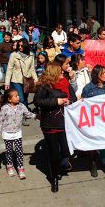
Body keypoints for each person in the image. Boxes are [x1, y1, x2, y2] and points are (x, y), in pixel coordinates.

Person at [33, 64, 77, 192]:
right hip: (50, 123)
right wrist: (56, 102)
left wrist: (70, 101)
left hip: (65, 122)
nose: (62, 74)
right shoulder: (45, 86)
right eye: (60, 72)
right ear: (54, 73)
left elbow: (73, 97)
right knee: (54, 153)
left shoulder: (65, 83)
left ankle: (60, 165)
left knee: (65, 150)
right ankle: (54, 178)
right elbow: (37, 101)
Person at [0, 89, 36, 179]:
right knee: (9, 151)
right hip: (7, 134)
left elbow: (28, 114)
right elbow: (0, 121)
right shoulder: (5, 108)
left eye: (18, 95)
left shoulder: (21, 106)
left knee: (19, 151)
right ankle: (9, 167)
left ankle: (20, 169)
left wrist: (36, 116)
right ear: (10, 99)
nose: (18, 97)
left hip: (17, 133)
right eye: (16, 96)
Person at [5, 38, 38, 115]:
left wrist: (36, 80)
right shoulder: (14, 55)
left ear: (26, 46)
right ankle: (24, 115)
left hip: (27, 80)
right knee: (21, 99)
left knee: (25, 98)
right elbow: (9, 69)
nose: (20, 47)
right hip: (16, 80)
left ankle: (22, 113)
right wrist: (7, 83)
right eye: (19, 46)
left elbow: (32, 69)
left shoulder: (31, 55)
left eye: (22, 46)